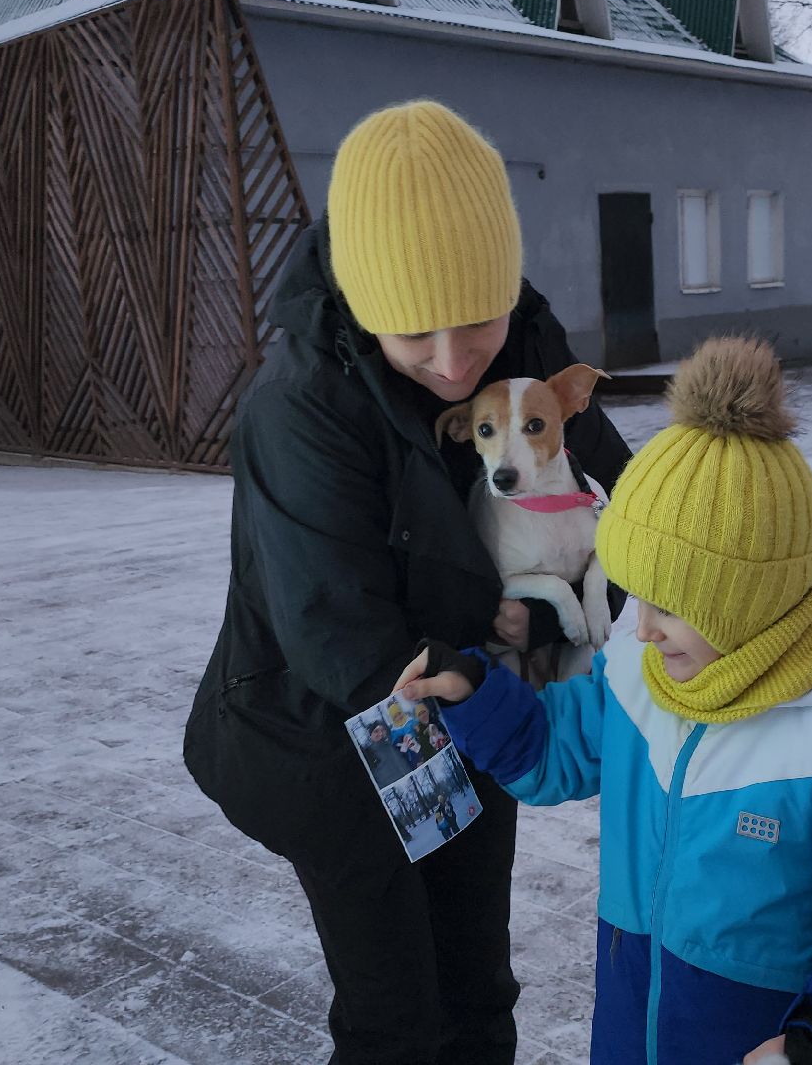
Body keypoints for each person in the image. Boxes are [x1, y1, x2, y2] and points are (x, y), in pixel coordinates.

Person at [182, 99, 630, 1065]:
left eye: (476, 317)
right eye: (412, 333)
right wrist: (497, 643)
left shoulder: (527, 344)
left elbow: (628, 501)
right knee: (397, 1021)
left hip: (472, 708)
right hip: (327, 738)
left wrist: (706, 573)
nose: (454, 357)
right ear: (363, 304)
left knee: (479, 990)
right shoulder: (299, 407)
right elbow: (337, 631)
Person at [396, 338, 812, 1065]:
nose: (640, 627)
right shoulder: (642, 678)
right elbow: (555, 749)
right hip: (630, 1030)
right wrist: (478, 693)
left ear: (748, 602)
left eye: (670, 605)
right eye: (638, 593)